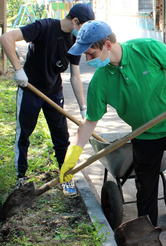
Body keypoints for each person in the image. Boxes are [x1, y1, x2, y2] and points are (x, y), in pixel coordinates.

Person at [59, 20, 166, 245]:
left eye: (90, 53)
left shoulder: (145, 48)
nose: (87, 59)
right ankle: (148, 240)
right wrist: (72, 156)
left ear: (107, 44)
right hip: (145, 136)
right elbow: (89, 122)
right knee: (146, 194)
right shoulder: (100, 82)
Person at [0, 4, 95, 196]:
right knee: (24, 134)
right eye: (83, 25)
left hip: (53, 91)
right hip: (30, 88)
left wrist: (83, 107)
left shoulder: (76, 41)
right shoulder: (43, 27)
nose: (84, 31)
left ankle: (65, 175)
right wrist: (18, 70)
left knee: (61, 135)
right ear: (75, 21)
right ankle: (21, 178)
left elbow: (75, 76)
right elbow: (6, 38)